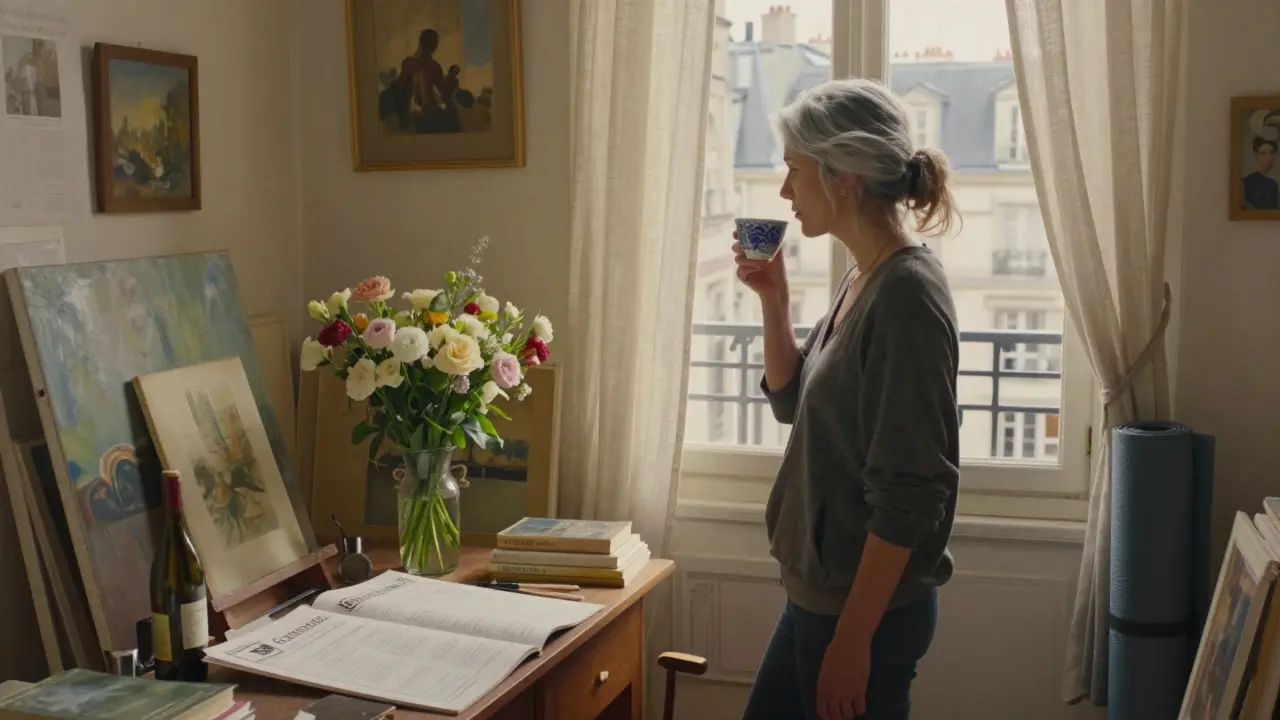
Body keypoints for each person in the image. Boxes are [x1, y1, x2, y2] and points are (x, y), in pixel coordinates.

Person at [737, 77, 961, 720]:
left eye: (794, 171)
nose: (784, 192)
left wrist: (854, 639)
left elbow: (913, 489)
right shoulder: (863, 277)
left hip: (864, 613)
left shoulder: (908, 297)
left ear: (845, 179)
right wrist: (774, 299)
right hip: (820, 595)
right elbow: (791, 403)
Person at [1242, 135, 1279, 210]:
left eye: (1271, 153)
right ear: (1256, 155)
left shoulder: (1275, 183)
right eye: (1263, 153)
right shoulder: (1247, 183)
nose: (1268, 157)